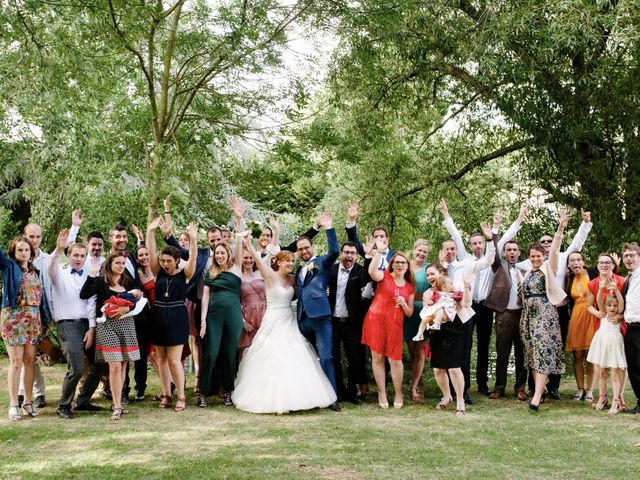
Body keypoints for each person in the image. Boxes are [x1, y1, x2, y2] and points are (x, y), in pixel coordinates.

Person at [232, 240, 337, 413]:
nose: (290, 264)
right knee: (272, 356)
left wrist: (325, 290)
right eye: (287, 261)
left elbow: (306, 291)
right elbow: (257, 259)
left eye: (292, 261)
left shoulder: (294, 279)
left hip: (289, 320)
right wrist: (249, 244)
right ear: (278, 262)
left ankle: (299, 396)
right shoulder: (269, 275)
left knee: (295, 357)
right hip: (273, 320)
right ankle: (269, 397)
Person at [439, 202, 525, 397]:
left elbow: (505, 238)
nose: (478, 246)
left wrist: (517, 220)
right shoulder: (464, 259)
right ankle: (464, 386)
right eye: (475, 243)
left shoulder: (490, 258)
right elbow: (455, 236)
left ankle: (483, 384)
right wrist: (446, 214)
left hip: (485, 307)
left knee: (485, 346)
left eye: (480, 243)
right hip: (466, 306)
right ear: (470, 246)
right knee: (466, 345)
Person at [519, 208, 593, 399]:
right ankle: (536, 388)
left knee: (553, 348)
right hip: (531, 313)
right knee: (534, 348)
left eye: (548, 242)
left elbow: (577, 243)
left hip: (556, 310)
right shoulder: (528, 267)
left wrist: (583, 225)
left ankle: (553, 387)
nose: (545, 244)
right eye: (542, 242)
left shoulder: (558, 259)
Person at [437, 218, 497, 403]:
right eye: (447, 249)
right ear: (442, 251)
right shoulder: (439, 269)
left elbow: (489, 260)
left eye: (453, 249)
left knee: (468, 347)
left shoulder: (466, 264)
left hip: (464, 311)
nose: (450, 251)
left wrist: (489, 241)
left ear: (457, 251)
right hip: (445, 315)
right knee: (457, 349)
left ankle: (467, 389)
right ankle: (452, 390)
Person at [48, 230, 105, 418]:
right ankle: (64, 405)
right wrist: (58, 248)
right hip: (68, 325)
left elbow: (91, 303)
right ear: (69, 256)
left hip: (87, 324)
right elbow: (51, 266)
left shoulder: (90, 276)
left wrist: (91, 328)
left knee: (100, 364)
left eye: (82, 255)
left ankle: (83, 401)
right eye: (75, 255)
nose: (79, 259)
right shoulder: (59, 274)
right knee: (78, 367)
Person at [80, 252, 142, 420]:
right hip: (107, 326)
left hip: (126, 325)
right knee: (113, 365)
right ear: (110, 264)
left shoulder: (128, 281)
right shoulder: (101, 282)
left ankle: (119, 403)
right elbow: (84, 294)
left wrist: (126, 309)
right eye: (117, 263)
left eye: (123, 263)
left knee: (122, 366)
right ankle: (116, 406)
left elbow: (138, 300)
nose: (120, 266)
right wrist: (92, 273)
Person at [146, 218, 197, 412]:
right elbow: (152, 253)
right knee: (161, 358)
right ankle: (166, 393)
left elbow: (192, 259)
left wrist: (193, 239)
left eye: (169, 261)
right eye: (163, 260)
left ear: (177, 261)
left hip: (177, 316)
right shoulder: (158, 271)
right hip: (158, 315)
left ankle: (181, 396)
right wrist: (150, 232)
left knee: (174, 359)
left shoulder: (185, 273)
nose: (165, 263)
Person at [520, 212, 569, 412]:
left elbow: (556, 249)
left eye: (538, 256)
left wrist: (560, 228)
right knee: (532, 353)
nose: (535, 259)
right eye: (532, 256)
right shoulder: (527, 273)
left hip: (544, 315)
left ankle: (538, 396)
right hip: (528, 316)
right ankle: (540, 390)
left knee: (541, 352)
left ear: (543, 256)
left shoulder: (549, 267)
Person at [361, 237, 415, 410]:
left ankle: (398, 393)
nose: (400, 265)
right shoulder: (383, 276)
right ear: (392, 264)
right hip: (375, 320)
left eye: (403, 263)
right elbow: (371, 271)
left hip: (395, 325)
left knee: (395, 360)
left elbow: (410, 313)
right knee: (377, 358)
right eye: (397, 262)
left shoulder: (409, 287)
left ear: (407, 266)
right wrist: (380, 252)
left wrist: (404, 304)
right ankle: (382, 392)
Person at [295, 211, 341, 412]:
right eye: (301, 249)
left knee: (325, 358)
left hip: (321, 317)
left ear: (311, 247)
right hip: (302, 318)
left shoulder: (322, 262)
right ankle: (309, 396)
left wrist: (328, 227)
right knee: (305, 359)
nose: (304, 251)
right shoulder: (297, 269)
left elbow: (335, 251)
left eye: (306, 247)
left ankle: (331, 397)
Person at [198, 235, 244, 408]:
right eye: (217, 253)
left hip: (233, 316)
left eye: (222, 253)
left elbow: (240, 242)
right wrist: (203, 320)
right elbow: (205, 296)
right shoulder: (211, 271)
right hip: (214, 315)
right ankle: (203, 393)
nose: (219, 256)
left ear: (228, 253)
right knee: (211, 354)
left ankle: (228, 392)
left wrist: (239, 219)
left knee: (230, 355)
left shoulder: (236, 268)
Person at [1, 237, 42, 420]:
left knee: (30, 361)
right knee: (16, 362)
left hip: (33, 320)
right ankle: (13, 403)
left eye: (26, 249)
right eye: (19, 250)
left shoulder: (35, 271)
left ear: (31, 252)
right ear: (14, 252)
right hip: (14, 319)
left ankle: (27, 402)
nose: (23, 252)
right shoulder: (10, 267)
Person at [425, 264, 474, 416]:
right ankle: (447, 397)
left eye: (432, 274)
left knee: (454, 368)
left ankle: (460, 401)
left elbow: (466, 304)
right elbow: (428, 311)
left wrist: (466, 286)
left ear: (442, 274)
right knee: (438, 368)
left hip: (455, 330)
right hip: (437, 331)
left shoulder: (454, 288)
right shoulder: (428, 293)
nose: (430, 277)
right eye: (428, 275)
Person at [484, 239, 527, 401]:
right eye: (508, 250)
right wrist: (491, 236)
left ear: (519, 252)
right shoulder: (499, 266)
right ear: (504, 253)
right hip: (505, 315)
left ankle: (520, 388)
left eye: (515, 249)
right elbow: (493, 253)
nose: (512, 252)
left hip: (522, 315)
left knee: (521, 353)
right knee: (502, 352)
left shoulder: (524, 269)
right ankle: (499, 388)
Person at [328, 241, 368, 405]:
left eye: (352, 253)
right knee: (334, 358)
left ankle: (352, 391)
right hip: (333, 322)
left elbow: (368, 277)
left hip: (352, 323)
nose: (349, 255)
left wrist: (370, 254)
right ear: (341, 254)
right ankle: (338, 391)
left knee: (354, 358)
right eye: (346, 252)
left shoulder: (360, 271)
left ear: (357, 255)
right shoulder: (331, 270)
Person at [585, 252, 625, 409]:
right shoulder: (593, 284)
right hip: (602, 325)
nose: (604, 265)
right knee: (600, 364)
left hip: (619, 325)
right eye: (601, 262)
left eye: (608, 262)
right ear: (597, 265)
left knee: (620, 363)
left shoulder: (621, 281)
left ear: (613, 265)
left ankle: (619, 396)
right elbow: (589, 304)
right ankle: (603, 396)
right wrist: (597, 313)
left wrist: (621, 316)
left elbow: (626, 304)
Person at [564, 251, 598, 402]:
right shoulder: (569, 278)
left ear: (583, 261)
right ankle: (580, 390)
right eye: (572, 261)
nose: (575, 263)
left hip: (592, 316)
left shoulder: (593, 273)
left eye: (578, 260)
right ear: (569, 265)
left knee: (591, 355)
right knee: (577, 356)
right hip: (576, 317)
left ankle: (590, 390)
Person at [404, 239, 431, 401]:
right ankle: (419, 381)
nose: (421, 254)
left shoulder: (429, 269)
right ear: (413, 250)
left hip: (422, 310)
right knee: (412, 351)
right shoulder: (405, 265)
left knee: (420, 351)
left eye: (425, 252)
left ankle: (413, 388)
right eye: (419, 250)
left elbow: (436, 286)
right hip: (407, 310)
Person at [621, 242, 640, 414]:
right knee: (633, 366)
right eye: (626, 256)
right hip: (631, 328)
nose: (629, 258)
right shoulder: (628, 278)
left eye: (632, 255)